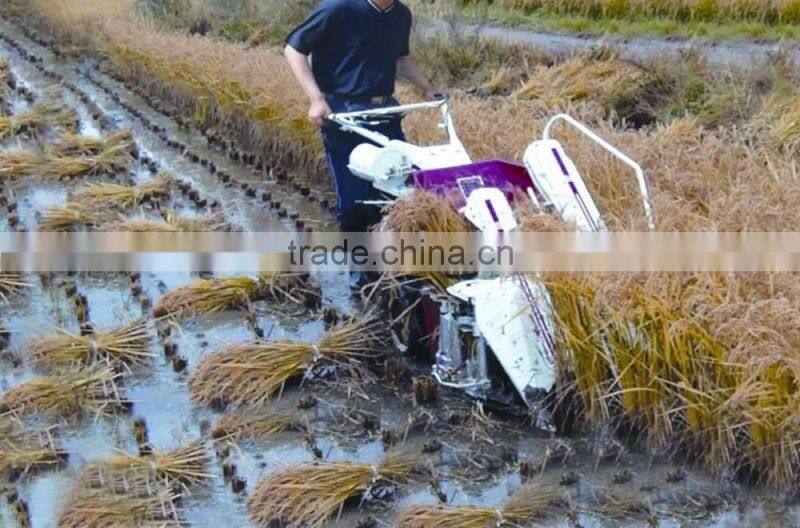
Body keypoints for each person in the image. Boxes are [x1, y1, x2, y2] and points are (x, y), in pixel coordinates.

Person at [284, 0, 438, 232]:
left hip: (385, 112)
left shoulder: (400, 14)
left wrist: (427, 88)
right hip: (344, 115)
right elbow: (294, 49)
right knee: (355, 200)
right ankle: (357, 261)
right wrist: (316, 99)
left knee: (398, 189)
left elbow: (401, 58)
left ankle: (395, 260)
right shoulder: (338, 8)